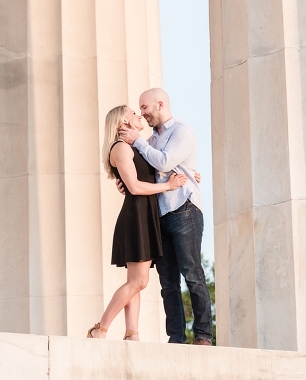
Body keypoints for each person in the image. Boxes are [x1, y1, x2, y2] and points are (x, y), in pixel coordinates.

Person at [118, 88, 213, 346]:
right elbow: (142, 170)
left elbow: (164, 162)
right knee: (168, 282)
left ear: (160, 104)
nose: (143, 113)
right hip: (159, 216)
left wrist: (137, 141)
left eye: (145, 107)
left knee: (192, 273)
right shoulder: (150, 140)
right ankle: (176, 339)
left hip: (184, 209)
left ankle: (203, 335)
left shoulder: (181, 132)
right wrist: (124, 181)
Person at [87, 105, 188, 341]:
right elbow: (134, 186)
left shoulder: (136, 148)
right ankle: (99, 329)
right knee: (139, 281)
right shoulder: (121, 148)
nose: (139, 115)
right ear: (123, 123)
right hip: (136, 217)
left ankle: (132, 334)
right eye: (133, 113)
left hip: (145, 215)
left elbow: (156, 170)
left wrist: (189, 176)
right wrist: (169, 186)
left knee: (135, 281)